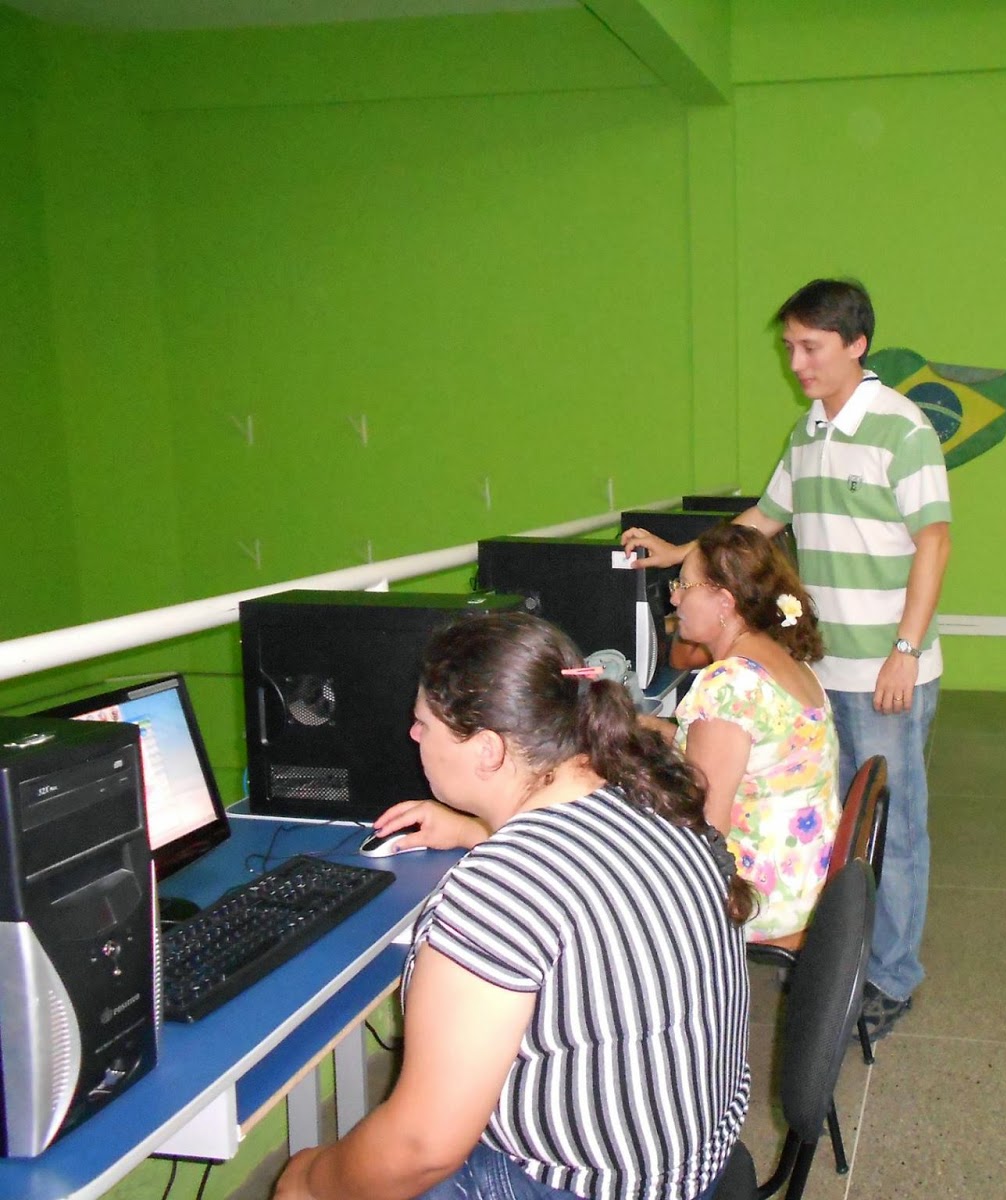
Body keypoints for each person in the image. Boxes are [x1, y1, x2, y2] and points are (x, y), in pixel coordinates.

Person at [273, 612, 752, 1200]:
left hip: (584, 1188)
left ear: (488, 750)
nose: (413, 736)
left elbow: (423, 1148)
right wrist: (476, 830)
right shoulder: (651, 801)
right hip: (695, 1166)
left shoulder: (502, 887)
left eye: (424, 723)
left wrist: (310, 1180)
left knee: (330, 1175)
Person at [623, 278, 951, 1045]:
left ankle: (892, 977)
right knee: (828, 823)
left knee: (894, 829)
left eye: (811, 347)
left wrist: (905, 650)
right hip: (827, 669)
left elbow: (935, 541)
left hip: (888, 670)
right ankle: (839, 954)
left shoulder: (902, 429)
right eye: (790, 348)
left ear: (856, 344)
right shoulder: (808, 433)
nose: (797, 362)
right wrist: (679, 554)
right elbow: (763, 521)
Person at [654, 521, 840, 948]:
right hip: (806, 881)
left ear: (724, 601)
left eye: (683, 586)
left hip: (759, 896)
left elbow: (705, 830)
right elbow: (750, 757)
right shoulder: (781, 659)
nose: (675, 599)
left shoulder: (729, 687)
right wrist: (654, 731)